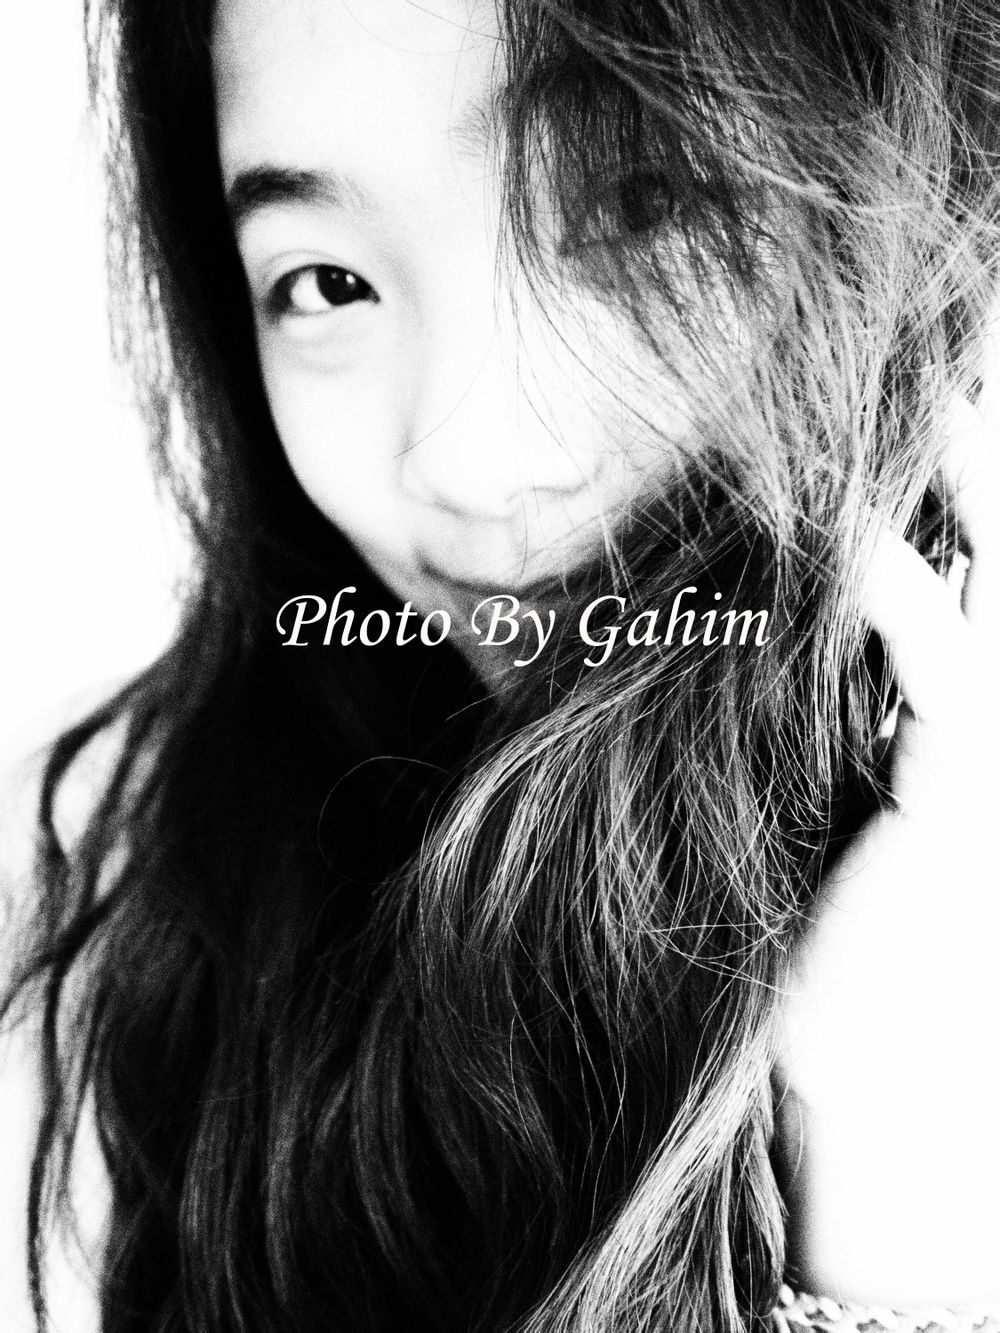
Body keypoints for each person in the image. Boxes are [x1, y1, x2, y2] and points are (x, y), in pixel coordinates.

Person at [3, 0, 1000, 1328]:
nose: (470, 462)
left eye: (640, 205)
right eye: (327, 284)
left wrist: (890, 1187)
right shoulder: (102, 914)